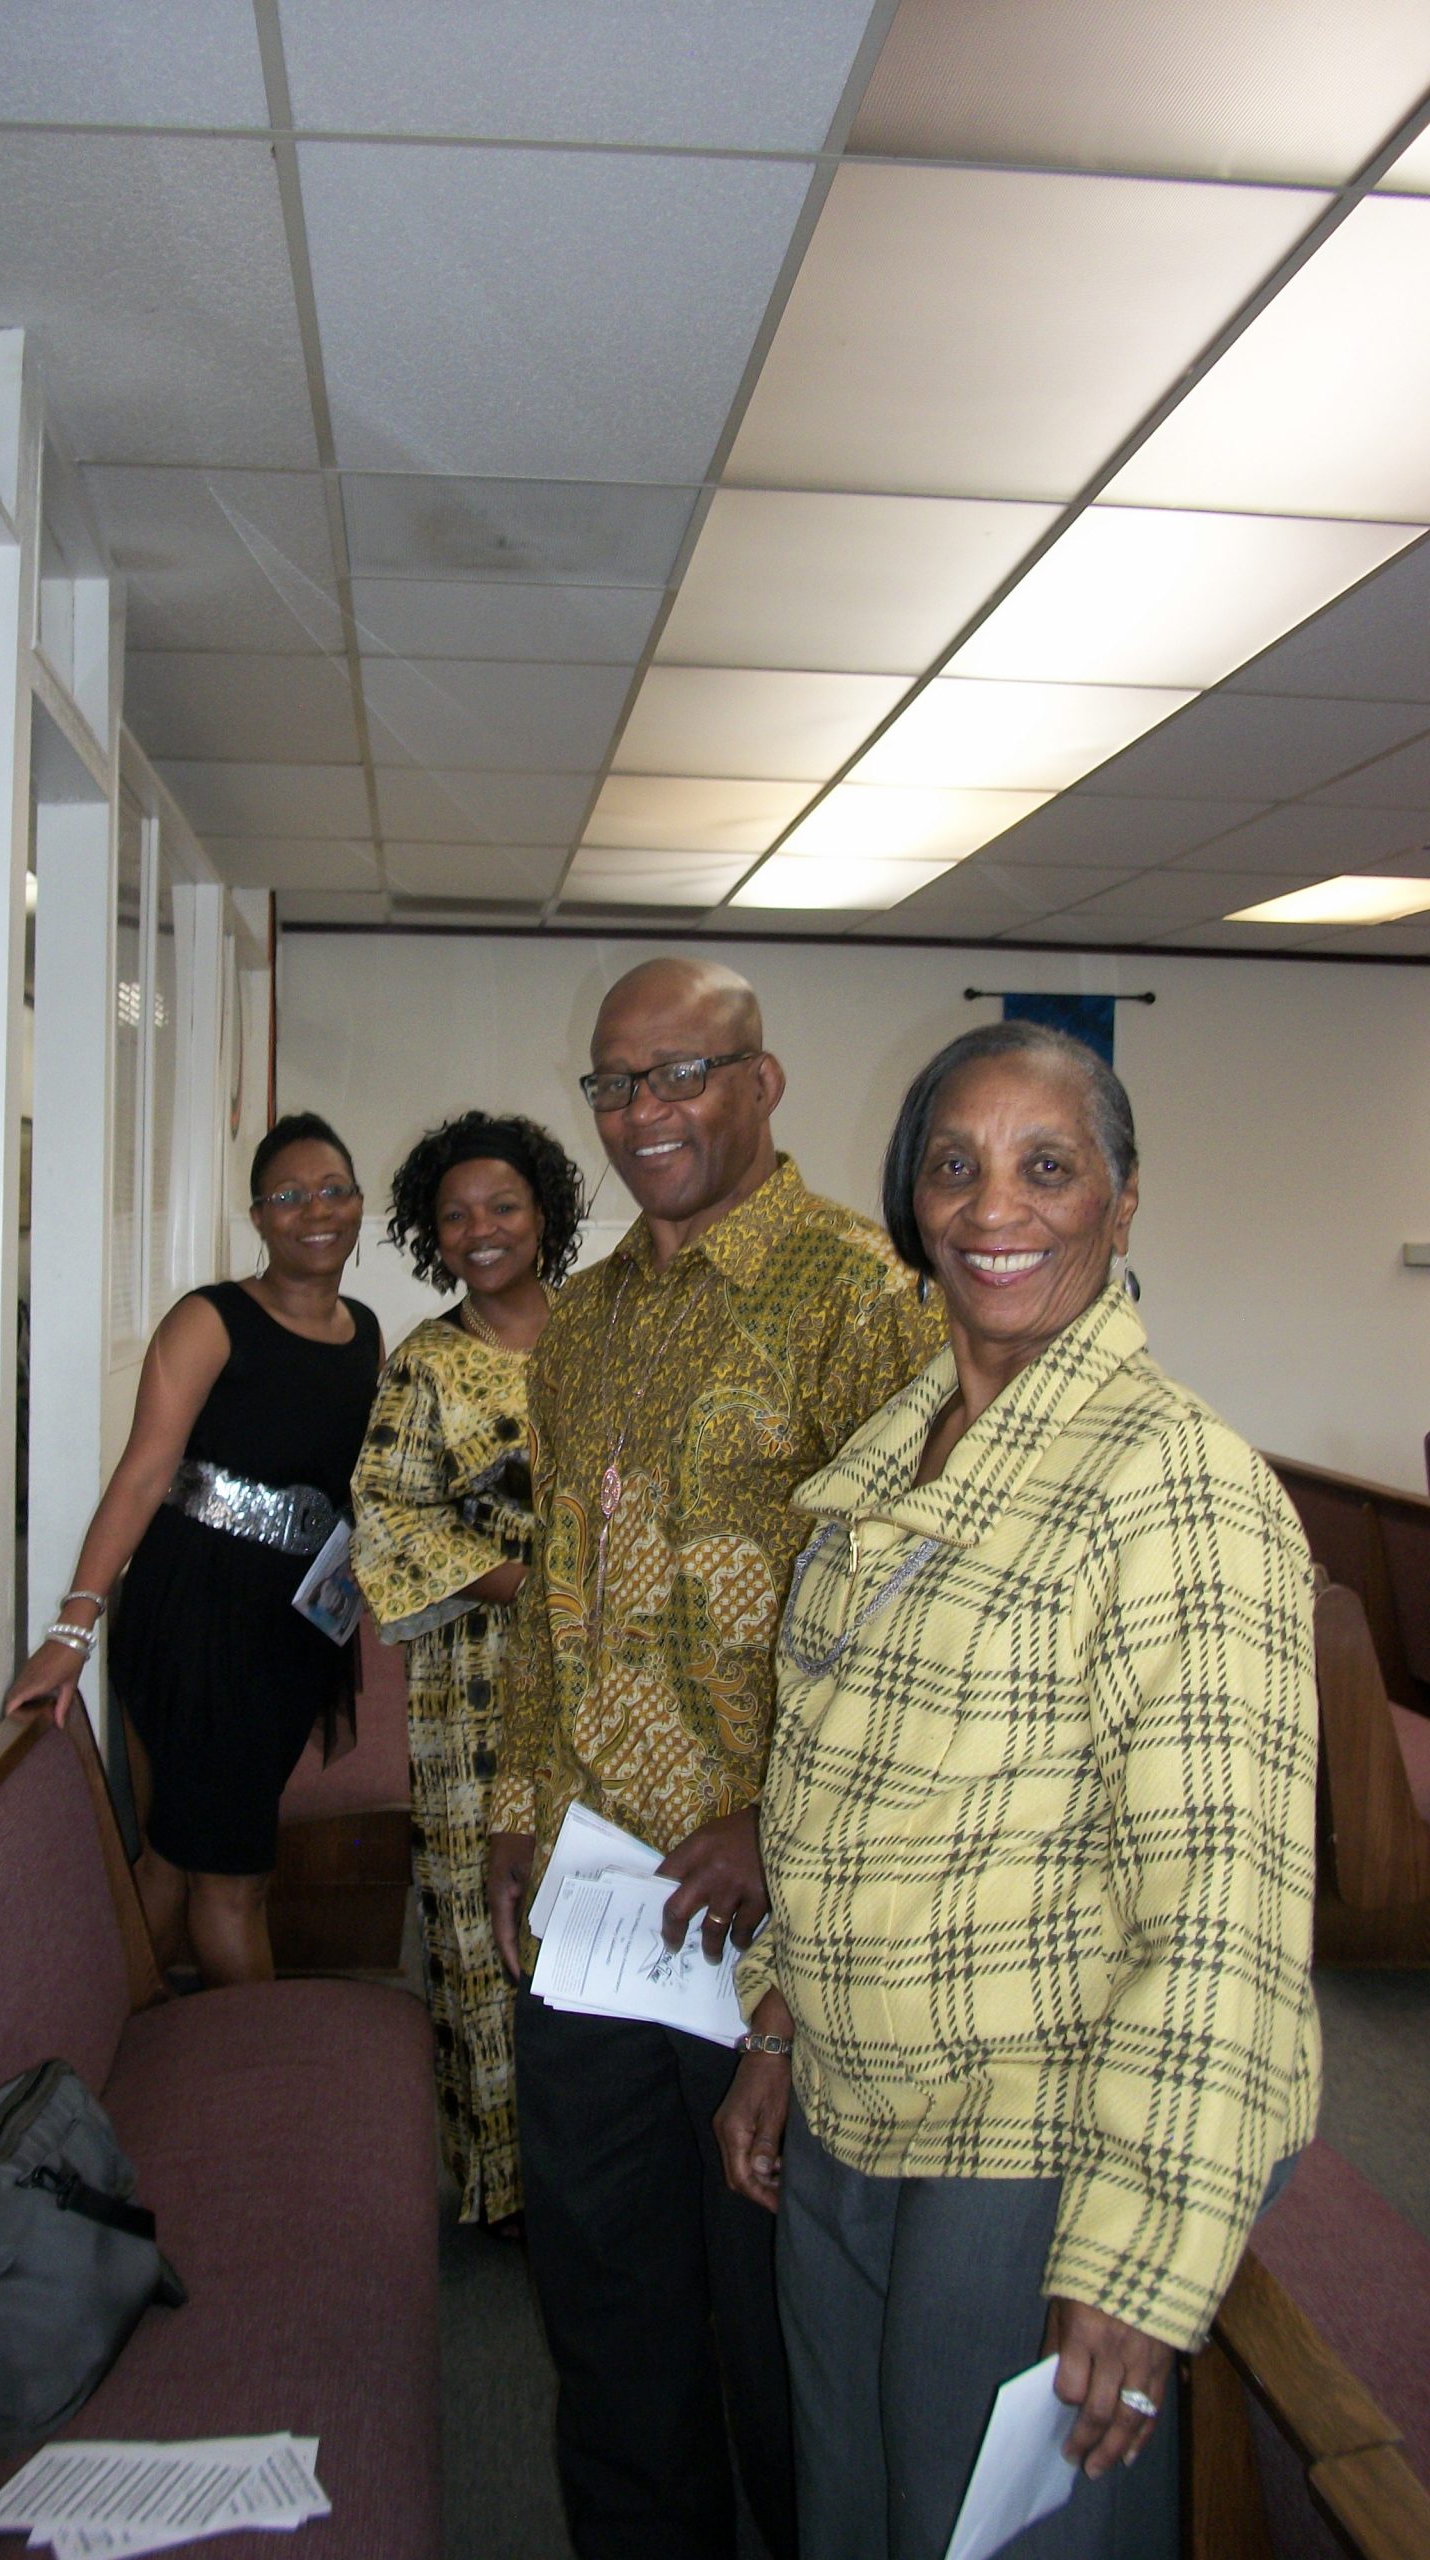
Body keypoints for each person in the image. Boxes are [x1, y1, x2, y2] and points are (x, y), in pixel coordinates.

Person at [714, 1021, 1319, 2560]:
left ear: (1122, 1202)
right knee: (853, 2521)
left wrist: (1137, 2256)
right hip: (854, 2109)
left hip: (1035, 2145)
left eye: (1047, 1168)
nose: (995, 1208)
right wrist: (781, 2014)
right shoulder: (895, 1463)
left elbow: (1224, 1908)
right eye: (954, 1167)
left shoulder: (1175, 1487)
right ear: (913, 1203)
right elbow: (843, 1796)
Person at [486, 957, 943, 2560]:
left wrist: (773, 1822)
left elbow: (908, 1622)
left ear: (763, 1081)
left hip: (770, 1937)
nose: (642, 1112)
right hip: (598, 1917)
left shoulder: (867, 1301)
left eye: (681, 1072)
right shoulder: (583, 1319)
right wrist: (515, 1811)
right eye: (614, 1082)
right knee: (608, 2316)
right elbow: (554, 1594)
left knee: (778, 2341)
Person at [4, 1112, 382, 1987]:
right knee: (232, 1880)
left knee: (177, 1856)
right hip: (199, 1619)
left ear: (359, 1203)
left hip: (295, 1627)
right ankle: (262, 2058)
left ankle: (130, 2026)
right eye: (288, 1195)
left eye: (333, 1190)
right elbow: (143, 1476)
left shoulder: (363, 1332)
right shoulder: (211, 1320)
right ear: (258, 1217)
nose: (315, 1210)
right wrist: (73, 1629)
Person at [351, 1112, 587, 2231]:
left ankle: (608, 2166)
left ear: (546, 1215)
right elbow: (387, 1518)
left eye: (502, 1206)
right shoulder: (426, 1362)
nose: (480, 1230)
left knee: (597, 1897)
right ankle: (507, 2185)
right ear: (430, 1235)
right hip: (477, 1679)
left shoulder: (601, 1332)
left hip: (611, 1676)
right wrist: (529, 1583)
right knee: (476, 1920)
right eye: (455, 1216)